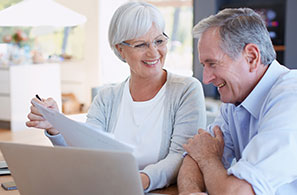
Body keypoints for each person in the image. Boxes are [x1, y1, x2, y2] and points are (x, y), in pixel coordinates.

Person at [26, 2, 206, 192]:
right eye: (141, 44)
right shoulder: (106, 97)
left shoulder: (186, 90)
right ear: (120, 49)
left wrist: (139, 181)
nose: (154, 52)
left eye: (159, 41)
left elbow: (181, 156)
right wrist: (56, 126)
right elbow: (85, 154)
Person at [177, 7, 297, 195]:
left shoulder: (292, 99)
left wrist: (208, 159)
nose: (206, 78)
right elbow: (194, 156)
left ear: (251, 57)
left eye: (212, 64)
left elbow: (235, 192)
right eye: (204, 65)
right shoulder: (234, 100)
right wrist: (191, 192)